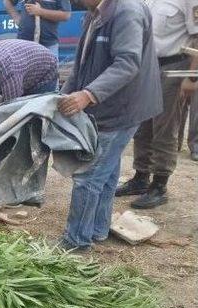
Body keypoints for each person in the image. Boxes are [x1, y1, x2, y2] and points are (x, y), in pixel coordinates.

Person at [57, 0, 162, 250]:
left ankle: (76, 243)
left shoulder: (127, 11)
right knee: (107, 171)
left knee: (88, 176)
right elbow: (81, 65)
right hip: (108, 105)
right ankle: (97, 229)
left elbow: (127, 63)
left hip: (122, 108)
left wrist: (88, 94)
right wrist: (63, 94)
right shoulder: (94, 13)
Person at [115, 0, 198, 208]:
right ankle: (141, 177)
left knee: (165, 127)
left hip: (174, 66)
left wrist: (192, 77)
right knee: (142, 126)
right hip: (146, 66)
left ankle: (159, 185)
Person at [4, 0, 72, 56]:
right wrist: (16, 18)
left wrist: (40, 11)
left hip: (48, 45)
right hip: (24, 45)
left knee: (49, 71)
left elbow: (66, 15)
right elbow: (7, 1)